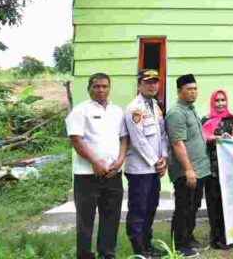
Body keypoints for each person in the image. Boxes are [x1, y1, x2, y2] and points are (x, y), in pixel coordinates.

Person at [66, 73, 127, 259]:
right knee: (86, 219)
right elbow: (76, 141)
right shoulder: (80, 111)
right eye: (96, 86)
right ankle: (84, 254)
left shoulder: (117, 111)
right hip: (87, 175)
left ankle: (107, 252)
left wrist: (121, 159)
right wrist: (95, 162)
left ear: (109, 88)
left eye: (104, 86)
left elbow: (124, 137)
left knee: (111, 216)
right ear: (89, 88)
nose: (100, 90)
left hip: (113, 174)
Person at [122, 70, 169, 258]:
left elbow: (162, 135)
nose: (152, 85)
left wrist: (164, 157)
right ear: (139, 84)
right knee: (138, 210)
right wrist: (156, 161)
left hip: (154, 168)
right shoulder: (134, 108)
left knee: (151, 208)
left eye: (155, 82)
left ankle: (148, 246)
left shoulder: (155, 106)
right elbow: (138, 140)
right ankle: (139, 250)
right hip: (140, 169)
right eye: (148, 82)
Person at [165, 74, 210, 258]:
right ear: (179, 92)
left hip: (199, 168)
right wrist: (188, 169)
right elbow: (178, 143)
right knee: (184, 206)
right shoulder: (176, 112)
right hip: (186, 170)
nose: (193, 92)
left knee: (194, 205)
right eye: (189, 89)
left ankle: (188, 236)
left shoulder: (191, 109)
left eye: (195, 89)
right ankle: (179, 244)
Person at [201, 90, 233, 250]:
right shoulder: (206, 120)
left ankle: (229, 236)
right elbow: (201, 139)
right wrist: (217, 138)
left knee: (228, 204)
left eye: (223, 100)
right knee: (214, 204)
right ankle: (216, 238)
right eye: (217, 101)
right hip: (212, 170)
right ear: (212, 102)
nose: (221, 103)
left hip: (230, 170)